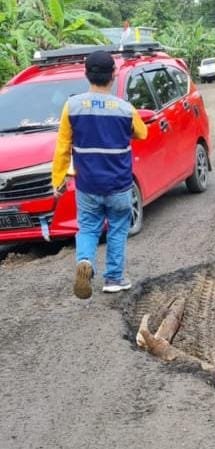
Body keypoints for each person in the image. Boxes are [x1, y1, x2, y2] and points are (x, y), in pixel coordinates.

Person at [51, 50, 148, 299]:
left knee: (88, 228)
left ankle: (86, 261)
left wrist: (58, 181)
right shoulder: (125, 109)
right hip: (119, 184)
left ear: (86, 75)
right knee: (117, 228)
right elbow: (142, 133)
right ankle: (114, 278)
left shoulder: (71, 106)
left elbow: (62, 148)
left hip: (87, 184)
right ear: (113, 75)